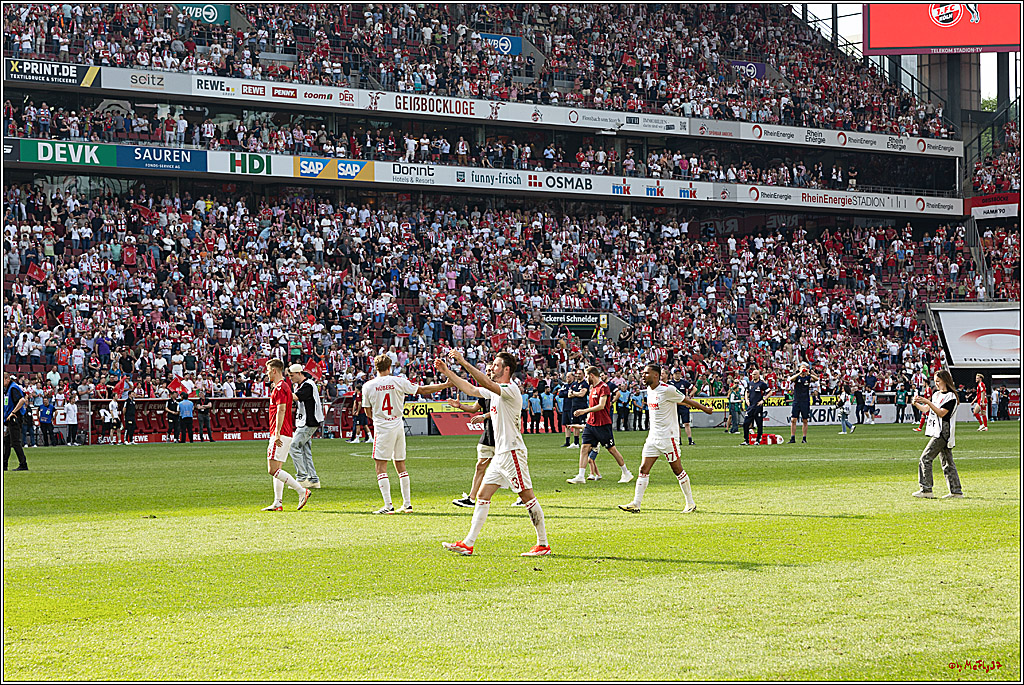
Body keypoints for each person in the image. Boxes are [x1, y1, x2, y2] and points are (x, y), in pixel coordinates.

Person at [436, 349, 551, 557]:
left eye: (496, 365)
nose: (491, 367)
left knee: (527, 497)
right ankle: (468, 543)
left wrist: (462, 361)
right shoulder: (497, 390)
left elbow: (486, 384)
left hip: (512, 451)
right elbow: (470, 389)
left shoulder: (510, 389)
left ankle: (543, 544)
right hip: (501, 454)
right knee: (482, 495)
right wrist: (448, 372)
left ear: (507, 370)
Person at [362, 354, 451, 514]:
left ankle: (388, 506)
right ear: (390, 367)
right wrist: (443, 386)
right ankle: (407, 504)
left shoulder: (368, 386)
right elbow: (422, 390)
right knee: (400, 464)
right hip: (398, 424)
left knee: (380, 466)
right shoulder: (398, 381)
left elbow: (367, 411)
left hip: (383, 426)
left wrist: (379, 415)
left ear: (376, 368)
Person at [619, 363, 713, 513]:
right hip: (653, 437)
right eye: (642, 373)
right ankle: (636, 503)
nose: (642, 376)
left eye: (646, 373)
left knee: (677, 470)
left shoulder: (667, 389)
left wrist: (705, 409)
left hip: (668, 438)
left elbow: (686, 400)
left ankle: (690, 503)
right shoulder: (649, 390)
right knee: (643, 468)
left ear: (656, 375)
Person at [449, 395, 525, 509]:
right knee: (480, 466)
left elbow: (500, 410)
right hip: (488, 436)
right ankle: (471, 498)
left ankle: (523, 497)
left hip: (503, 438)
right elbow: (474, 408)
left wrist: (484, 416)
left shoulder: (503, 394)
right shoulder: (485, 394)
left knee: (512, 468)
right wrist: (459, 406)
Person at [567, 366, 633, 485]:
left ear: (592, 375)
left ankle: (626, 472)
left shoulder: (604, 387)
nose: (586, 379)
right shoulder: (592, 388)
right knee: (584, 447)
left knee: (611, 449)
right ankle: (581, 475)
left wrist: (584, 411)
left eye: (587, 376)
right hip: (591, 423)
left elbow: (602, 406)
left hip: (603, 424)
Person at [261, 359, 311, 512]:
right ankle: (277, 502)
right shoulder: (283, 387)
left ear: (274, 371)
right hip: (284, 431)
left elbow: (281, 410)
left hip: (281, 432)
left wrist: (276, 433)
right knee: (278, 468)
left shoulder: (280, 387)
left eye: (268, 371)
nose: (267, 374)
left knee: (272, 469)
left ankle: (302, 491)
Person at [911, 369, 964, 499]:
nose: (936, 384)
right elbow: (926, 410)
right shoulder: (936, 395)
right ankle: (956, 491)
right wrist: (917, 404)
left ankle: (926, 489)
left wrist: (928, 402)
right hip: (938, 430)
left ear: (945, 381)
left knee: (925, 458)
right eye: (935, 381)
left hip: (943, 431)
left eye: (938, 381)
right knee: (947, 462)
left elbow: (941, 413)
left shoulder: (951, 397)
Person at [288, 364, 324, 489]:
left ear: (299, 373)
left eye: (292, 375)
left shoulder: (307, 385)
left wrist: (282, 389)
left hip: (308, 421)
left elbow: (296, 397)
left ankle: (302, 478)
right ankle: (313, 480)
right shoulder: (306, 384)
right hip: (307, 421)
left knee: (293, 446)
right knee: (305, 450)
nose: (290, 378)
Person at [4, 373, 29, 470]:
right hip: (10, 418)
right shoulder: (8, 389)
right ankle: (4, 464)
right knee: (6, 441)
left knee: (15, 442)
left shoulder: (13, 388)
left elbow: (22, 400)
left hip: (15, 418)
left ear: (6, 379)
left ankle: (23, 464)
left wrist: (13, 412)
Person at [788, 363, 818, 444]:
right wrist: (799, 373)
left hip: (805, 401)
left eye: (805, 368)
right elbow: (791, 379)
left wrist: (809, 373)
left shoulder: (808, 377)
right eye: (802, 368)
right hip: (797, 400)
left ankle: (804, 438)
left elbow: (816, 379)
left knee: (805, 420)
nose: (804, 369)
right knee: (793, 419)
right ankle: (792, 437)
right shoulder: (797, 377)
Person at [741, 369, 769, 445]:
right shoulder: (750, 383)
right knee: (745, 423)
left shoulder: (761, 384)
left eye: (755, 374)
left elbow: (770, 392)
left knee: (759, 424)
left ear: (758, 375)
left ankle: (758, 440)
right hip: (750, 407)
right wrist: (746, 399)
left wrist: (763, 400)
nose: (753, 376)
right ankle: (746, 440)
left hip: (758, 406)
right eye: (752, 374)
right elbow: (746, 391)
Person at [669, 368, 696, 445]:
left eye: (679, 373)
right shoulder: (670, 383)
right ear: (673, 374)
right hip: (675, 405)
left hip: (684, 405)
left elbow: (694, 389)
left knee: (686, 423)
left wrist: (689, 396)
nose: (677, 375)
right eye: (676, 373)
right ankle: (679, 439)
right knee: (677, 424)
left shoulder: (684, 382)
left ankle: (690, 439)